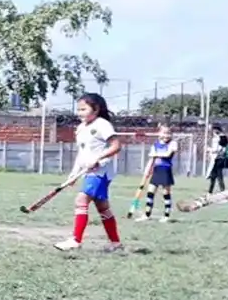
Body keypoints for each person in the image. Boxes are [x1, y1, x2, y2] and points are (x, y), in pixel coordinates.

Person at [55, 93, 124, 253]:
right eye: (78, 109)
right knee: (102, 207)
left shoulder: (102, 124)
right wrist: (73, 173)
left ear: (96, 109)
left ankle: (75, 240)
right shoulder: (80, 128)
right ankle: (115, 243)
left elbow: (116, 146)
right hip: (88, 172)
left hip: (101, 172)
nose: (79, 113)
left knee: (81, 200)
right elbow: (82, 154)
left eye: (83, 109)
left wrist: (99, 159)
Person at [140, 126, 178, 221]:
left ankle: (166, 216)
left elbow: (167, 154)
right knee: (150, 192)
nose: (166, 135)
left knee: (165, 193)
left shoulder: (173, 143)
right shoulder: (155, 145)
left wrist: (155, 154)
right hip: (156, 170)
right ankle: (147, 215)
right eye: (164, 133)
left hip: (165, 170)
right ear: (159, 134)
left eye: (169, 133)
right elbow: (151, 159)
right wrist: (146, 171)